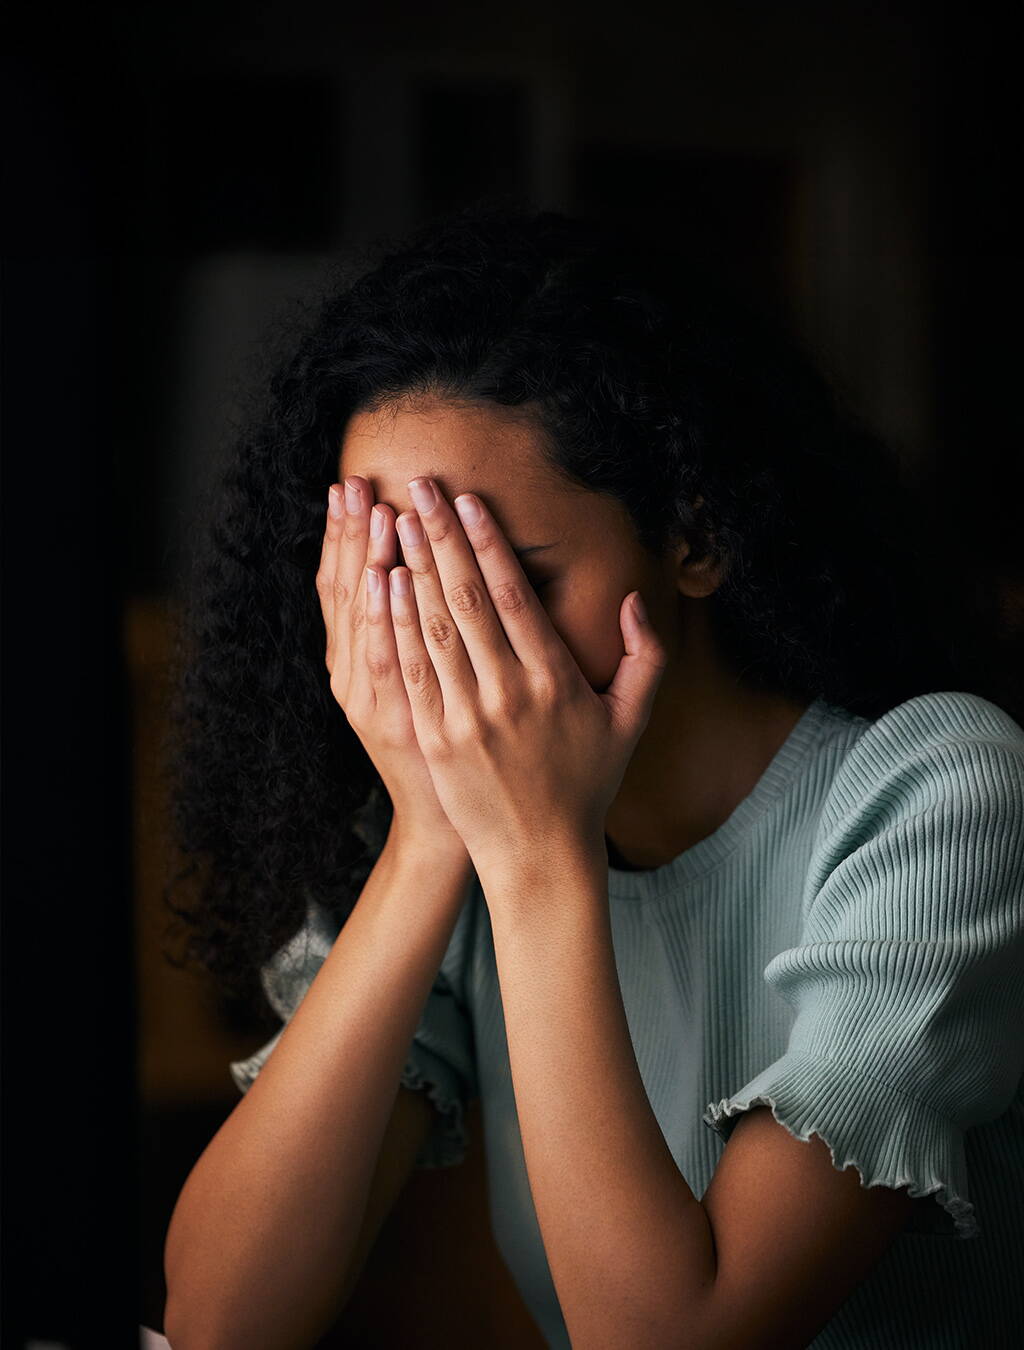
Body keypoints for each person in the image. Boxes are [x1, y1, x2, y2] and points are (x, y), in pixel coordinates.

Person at [161, 202, 1024, 1349]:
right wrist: (426, 842)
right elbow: (223, 1321)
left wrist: (532, 854)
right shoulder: (443, 833)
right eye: (401, 589)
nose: (449, 652)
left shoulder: (939, 796)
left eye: (506, 582)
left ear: (692, 540)